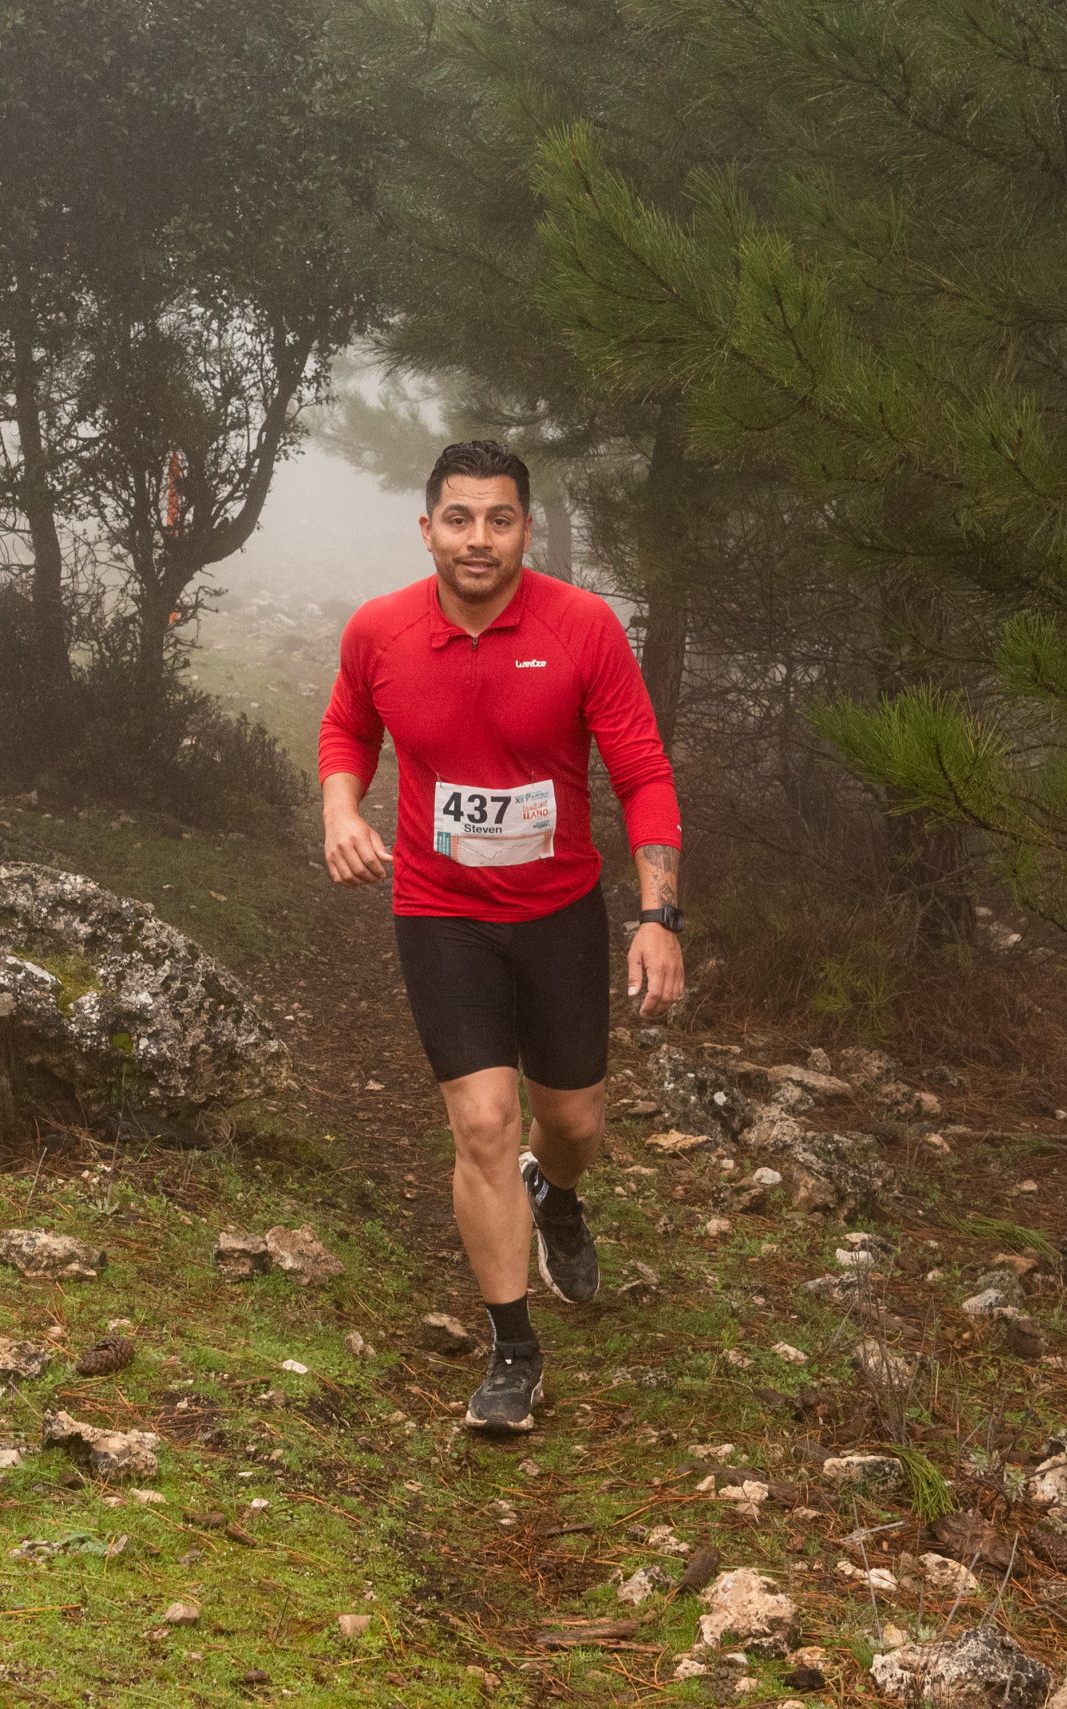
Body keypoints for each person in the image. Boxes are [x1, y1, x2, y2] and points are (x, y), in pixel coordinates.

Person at [317, 439, 684, 1433]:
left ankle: (555, 1194)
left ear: (525, 529)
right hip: (441, 913)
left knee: (573, 1124)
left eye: (499, 518)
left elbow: (642, 772)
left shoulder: (583, 627)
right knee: (483, 1122)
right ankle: (512, 1348)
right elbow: (348, 728)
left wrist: (658, 918)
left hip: (559, 912)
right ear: (426, 527)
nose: (477, 538)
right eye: (459, 518)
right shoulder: (381, 630)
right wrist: (341, 810)